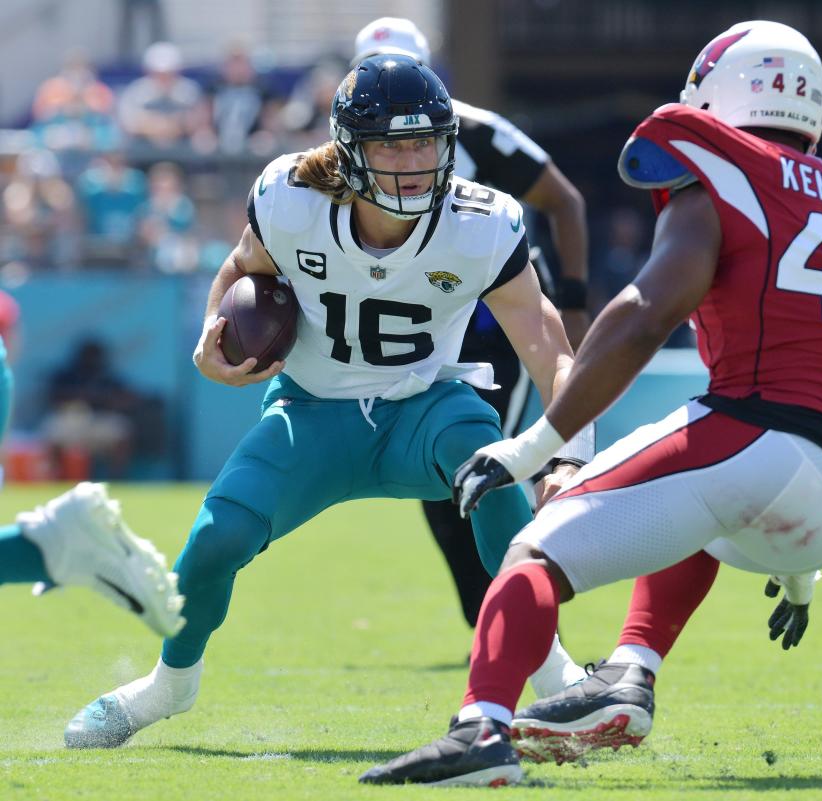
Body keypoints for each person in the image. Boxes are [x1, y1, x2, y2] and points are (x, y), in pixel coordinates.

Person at [361, 20, 822, 786]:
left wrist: (534, 443)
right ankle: (629, 672)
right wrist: (801, 566)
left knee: (532, 549)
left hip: (762, 438)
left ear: (715, 89)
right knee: (696, 508)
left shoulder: (722, 164)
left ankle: (480, 728)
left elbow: (647, 310)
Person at [63, 54, 591, 749]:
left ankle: (556, 677)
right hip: (310, 412)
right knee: (215, 539)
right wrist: (210, 338)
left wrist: (567, 450)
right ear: (350, 151)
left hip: (425, 405)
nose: (412, 161)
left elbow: (547, 340)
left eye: (425, 141)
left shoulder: (481, 221)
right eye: (391, 144)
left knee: (488, 465)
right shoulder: (291, 198)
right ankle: (170, 685)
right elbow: (243, 267)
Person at [352, 19, 590, 693]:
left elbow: (563, 200)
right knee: (439, 489)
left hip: (497, 326)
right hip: (421, 331)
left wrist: (570, 301)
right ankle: (491, 623)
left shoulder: (475, 131)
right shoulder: (343, 149)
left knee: (487, 471)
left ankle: (538, 637)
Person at [0, 331, 183, 638]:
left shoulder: (106, 376)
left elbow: (125, 398)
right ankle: (49, 545)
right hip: (67, 419)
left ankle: (53, 544)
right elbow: (58, 396)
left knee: (117, 433)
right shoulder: (68, 373)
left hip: (95, 421)